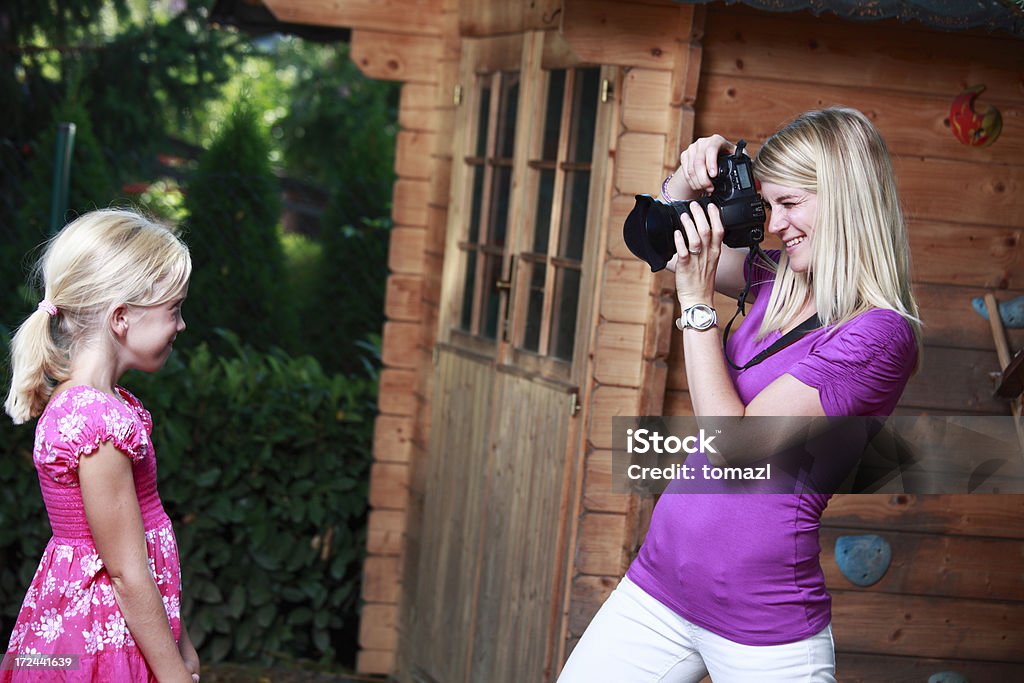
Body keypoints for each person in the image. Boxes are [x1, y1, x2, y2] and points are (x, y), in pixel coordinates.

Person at [559, 108, 920, 681]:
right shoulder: (777, 281)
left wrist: (697, 306)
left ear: (845, 199)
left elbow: (736, 446)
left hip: (763, 621)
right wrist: (687, 178)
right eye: (769, 205)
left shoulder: (878, 335)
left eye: (791, 203)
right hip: (661, 585)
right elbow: (655, 241)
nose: (775, 225)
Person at [1, 209, 200, 682]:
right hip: (102, 642)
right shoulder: (98, 424)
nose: (182, 325)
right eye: (173, 309)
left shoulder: (102, 407)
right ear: (121, 318)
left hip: (122, 629)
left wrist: (181, 639)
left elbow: (140, 561)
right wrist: (173, 674)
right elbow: (127, 574)